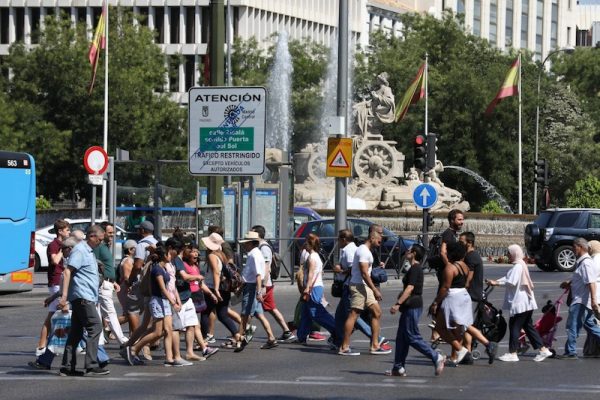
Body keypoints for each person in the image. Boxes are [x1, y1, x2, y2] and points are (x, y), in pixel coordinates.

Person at [386, 244, 445, 377]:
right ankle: (398, 367)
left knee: (412, 336)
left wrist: (397, 303)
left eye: (409, 250)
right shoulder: (414, 268)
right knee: (401, 337)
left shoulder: (415, 268)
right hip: (410, 305)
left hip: (412, 305)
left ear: (413, 253)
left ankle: (436, 356)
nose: (406, 251)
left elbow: (410, 288)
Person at [486, 244, 552, 362]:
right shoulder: (520, 264)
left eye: (509, 253)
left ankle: (513, 353)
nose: (507, 255)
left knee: (514, 325)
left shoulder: (517, 267)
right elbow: (508, 277)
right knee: (528, 327)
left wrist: (496, 283)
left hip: (521, 303)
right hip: (526, 302)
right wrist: (495, 281)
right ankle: (543, 350)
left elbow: (511, 281)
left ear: (514, 254)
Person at [58, 225, 109, 376]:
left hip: (85, 297)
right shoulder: (80, 250)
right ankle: (91, 365)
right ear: (92, 236)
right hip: (82, 297)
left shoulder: (88, 251)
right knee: (95, 326)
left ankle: (67, 367)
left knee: (76, 333)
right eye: (99, 239)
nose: (100, 242)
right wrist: (64, 297)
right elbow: (68, 271)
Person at [123, 243, 183, 367]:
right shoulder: (157, 269)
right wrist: (173, 302)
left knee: (167, 330)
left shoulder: (163, 268)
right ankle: (134, 349)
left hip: (164, 302)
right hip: (158, 301)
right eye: (168, 254)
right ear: (164, 256)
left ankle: (170, 358)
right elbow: (162, 289)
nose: (170, 256)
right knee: (157, 332)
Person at [429, 242, 484, 365]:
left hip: (452, 298)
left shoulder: (450, 267)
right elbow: (467, 282)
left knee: (441, 327)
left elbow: (445, 287)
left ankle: (462, 350)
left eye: (447, 252)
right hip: (463, 295)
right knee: (459, 328)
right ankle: (458, 355)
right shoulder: (465, 266)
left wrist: (435, 302)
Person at [333, 229, 389, 350]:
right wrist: (374, 289)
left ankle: (374, 345)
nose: (381, 242)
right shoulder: (363, 251)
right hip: (359, 285)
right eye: (379, 240)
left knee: (377, 312)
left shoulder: (366, 250)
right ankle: (344, 346)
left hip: (364, 286)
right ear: (372, 238)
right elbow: (364, 273)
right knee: (353, 315)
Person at [234, 231, 278, 352]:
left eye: (246, 243)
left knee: (245, 315)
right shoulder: (256, 253)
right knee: (258, 314)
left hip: (251, 287)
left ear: (250, 243)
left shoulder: (253, 255)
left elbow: (258, 275)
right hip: (250, 286)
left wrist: (259, 292)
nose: (244, 245)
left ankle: (242, 338)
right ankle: (271, 337)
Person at [251, 225, 296, 342]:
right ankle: (286, 331)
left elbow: (266, 268)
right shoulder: (259, 246)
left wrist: (263, 286)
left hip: (265, 284)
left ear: (257, 234)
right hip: (264, 284)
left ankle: (245, 331)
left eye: (251, 233)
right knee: (270, 308)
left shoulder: (264, 248)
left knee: (252, 309)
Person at [559, 237, 600, 359]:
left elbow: (591, 282)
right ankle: (569, 350)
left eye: (574, 247)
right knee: (591, 327)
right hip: (583, 300)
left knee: (572, 326)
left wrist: (593, 301)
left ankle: (571, 352)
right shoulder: (584, 262)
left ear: (580, 247)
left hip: (581, 301)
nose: (573, 249)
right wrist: (570, 283)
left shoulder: (586, 263)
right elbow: (584, 280)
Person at [200, 233, 242, 348]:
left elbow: (216, 272)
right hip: (224, 289)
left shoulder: (212, 255)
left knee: (205, 313)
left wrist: (216, 289)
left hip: (214, 288)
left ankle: (203, 341)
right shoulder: (222, 255)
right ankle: (238, 336)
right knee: (222, 315)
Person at [296, 233, 338, 346]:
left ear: (309, 244)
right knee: (306, 313)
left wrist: (307, 288)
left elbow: (311, 274)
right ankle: (301, 336)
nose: (304, 244)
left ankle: (337, 329)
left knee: (316, 313)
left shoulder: (312, 257)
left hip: (313, 288)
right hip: (314, 287)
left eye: (306, 241)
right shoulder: (314, 256)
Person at [36, 219, 71, 356]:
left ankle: (43, 346)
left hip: (62, 281)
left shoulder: (65, 244)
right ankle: (47, 346)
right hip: (56, 281)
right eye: (67, 230)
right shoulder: (54, 244)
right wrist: (63, 249)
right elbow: (55, 261)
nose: (69, 232)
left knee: (53, 315)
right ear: (60, 231)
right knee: (62, 312)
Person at [94, 221, 128, 346]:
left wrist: (113, 281)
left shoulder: (105, 246)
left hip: (107, 283)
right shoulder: (99, 247)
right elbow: (95, 264)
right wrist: (104, 279)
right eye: (110, 233)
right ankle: (122, 340)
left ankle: (99, 340)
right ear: (103, 233)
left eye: (113, 232)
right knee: (110, 313)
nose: (113, 235)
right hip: (102, 284)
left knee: (99, 313)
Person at [117, 240, 141, 336]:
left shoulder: (130, 260)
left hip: (127, 289)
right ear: (130, 250)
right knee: (129, 315)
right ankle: (108, 326)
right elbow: (127, 277)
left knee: (130, 314)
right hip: (127, 289)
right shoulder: (128, 261)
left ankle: (132, 336)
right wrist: (130, 287)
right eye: (136, 249)